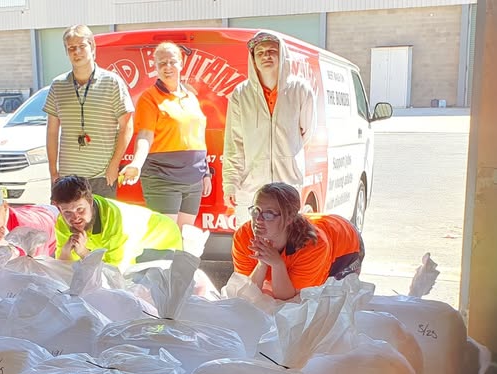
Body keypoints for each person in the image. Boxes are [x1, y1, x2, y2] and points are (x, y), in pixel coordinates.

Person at [222, 31, 316, 225]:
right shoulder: (241, 94)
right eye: (260, 52)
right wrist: (230, 183)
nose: (266, 55)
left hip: (288, 186)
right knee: (252, 246)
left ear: (283, 55)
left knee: (288, 246)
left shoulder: (300, 90)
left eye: (272, 51)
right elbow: (234, 143)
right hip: (252, 189)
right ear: (253, 60)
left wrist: (286, 158)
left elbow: (306, 133)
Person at [120, 42, 212, 227]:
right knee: (168, 240)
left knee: (185, 239)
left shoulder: (191, 97)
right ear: (155, 67)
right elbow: (145, 135)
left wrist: (206, 172)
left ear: (181, 63)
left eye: (172, 62)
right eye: (162, 63)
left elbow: (198, 137)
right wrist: (137, 163)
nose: (167, 67)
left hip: (194, 178)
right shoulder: (149, 97)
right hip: (163, 178)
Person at [45, 24, 135, 199]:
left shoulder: (113, 82)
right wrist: (53, 172)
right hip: (67, 177)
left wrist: (114, 165)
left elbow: (127, 127)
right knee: (71, 226)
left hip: (102, 177)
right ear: (66, 52)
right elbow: (52, 131)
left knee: (102, 226)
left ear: (92, 47)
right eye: (71, 48)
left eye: (82, 46)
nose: (77, 52)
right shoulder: (58, 85)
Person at [232, 182, 364, 300]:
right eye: (256, 211)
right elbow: (247, 294)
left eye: (269, 214)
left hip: (346, 245)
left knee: (330, 306)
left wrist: (277, 264)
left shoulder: (313, 246)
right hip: (317, 226)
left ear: (289, 218)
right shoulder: (243, 237)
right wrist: (262, 264)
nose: (258, 220)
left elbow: (288, 298)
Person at [51, 175, 182, 270]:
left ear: (90, 202)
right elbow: (64, 269)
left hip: (160, 243)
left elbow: (115, 275)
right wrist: (66, 251)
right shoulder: (63, 222)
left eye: (80, 209)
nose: (75, 217)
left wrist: (85, 253)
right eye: (67, 212)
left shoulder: (116, 222)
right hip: (128, 252)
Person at [0, 183, 58, 257]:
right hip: (30, 210)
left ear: (5, 206)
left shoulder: (27, 229)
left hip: (52, 219)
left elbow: (35, 268)